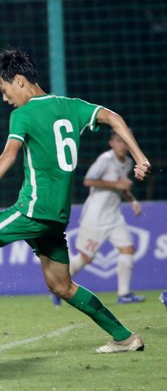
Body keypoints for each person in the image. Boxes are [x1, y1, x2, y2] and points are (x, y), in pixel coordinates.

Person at [0, 49, 151, 354]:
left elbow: (9, 153)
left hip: (33, 210)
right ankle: (125, 337)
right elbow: (114, 118)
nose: (5, 99)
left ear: (19, 80)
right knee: (61, 286)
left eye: (4, 90)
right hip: (56, 215)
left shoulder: (23, 114)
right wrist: (139, 157)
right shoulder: (71, 106)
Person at [52, 131, 145, 307]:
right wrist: (116, 184)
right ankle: (58, 286)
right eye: (118, 141)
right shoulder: (105, 159)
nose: (122, 145)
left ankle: (124, 294)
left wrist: (132, 200)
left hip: (114, 215)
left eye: (124, 141)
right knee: (86, 257)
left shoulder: (128, 163)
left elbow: (122, 186)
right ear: (111, 143)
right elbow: (88, 180)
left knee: (127, 249)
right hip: (95, 216)